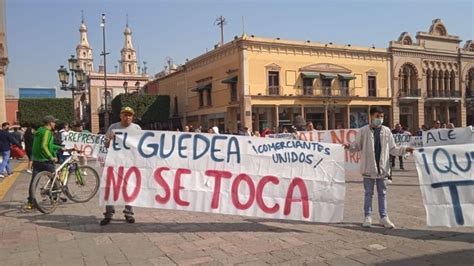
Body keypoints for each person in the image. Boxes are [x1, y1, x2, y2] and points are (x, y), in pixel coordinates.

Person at [343, 106, 414, 229]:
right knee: (368, 193)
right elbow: (357, 146)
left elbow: (393, 149)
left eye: (381, 117)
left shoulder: (387, 131)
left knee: (383, 193)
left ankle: (384, 217)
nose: (380, 119)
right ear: (371, 116)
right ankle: (367, 216)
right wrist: (348, 146)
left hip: (383, 168)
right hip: (368, 168)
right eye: (377, 116)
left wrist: (405, 149)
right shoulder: (363, 131)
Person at [101, 107, 142, 226]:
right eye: (125, 115)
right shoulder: (113, 127)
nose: (127, 117)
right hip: (114, 162)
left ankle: (129, 213)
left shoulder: (136, 128)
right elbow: (106, 143)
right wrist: (110, 141)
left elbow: (140, 145)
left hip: (130, 163)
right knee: (110, 187)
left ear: (132, 117)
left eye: (130, 115)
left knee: (129, 187)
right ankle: (109, 214)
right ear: (120, 116)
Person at [24, 115, 65, 210]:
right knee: (54, 180)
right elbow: (44, 146)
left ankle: (31, 202)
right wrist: (51, 156)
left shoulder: (39, 131)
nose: (55, 124)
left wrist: (60, 147)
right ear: (50, 123)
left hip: (37, 160)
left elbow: (49, 145)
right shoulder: (47, 132)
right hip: (46, 160)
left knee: (34, 181)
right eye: (54, 122)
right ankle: (54, 198)